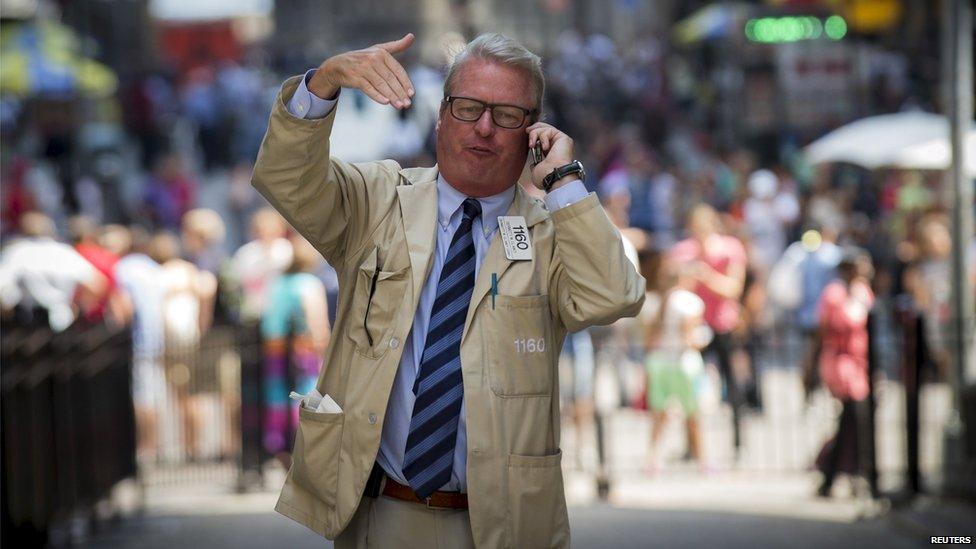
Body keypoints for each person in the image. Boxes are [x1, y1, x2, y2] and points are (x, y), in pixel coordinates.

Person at [252, 32, 644, 548]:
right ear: (441, 115)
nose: (484, 127)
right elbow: (286, 178)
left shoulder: (552, 231)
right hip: (382, 513)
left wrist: (564, 179)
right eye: (468, 107)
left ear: (533, 132)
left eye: (507, 114)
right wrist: (323, 83)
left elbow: (615, 295)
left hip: (504, 526)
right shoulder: (378, 201)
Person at [670, 204, 748, 453]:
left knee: (732, 383)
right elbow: (673, 286)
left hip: (723, 324)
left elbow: (734, 288)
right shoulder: (683, 251)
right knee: (689, 384)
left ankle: (738, 440)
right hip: (695, 326)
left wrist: (707, 277)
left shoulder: (731, 249)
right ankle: (691, 444)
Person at [261, 235, 330, 467]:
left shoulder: (278, 283)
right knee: (304, 395)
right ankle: (302, 445)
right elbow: (317, 321)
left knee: (277, 397)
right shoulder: (309, 283)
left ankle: (277, 445)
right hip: (303, 348)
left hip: (274, 349)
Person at [642, 256, 711, 474]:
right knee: (693, 415)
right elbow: (691, 338)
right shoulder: (690, 302)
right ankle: (703, 462)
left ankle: (652, 460)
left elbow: (649, 339)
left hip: (660, 362)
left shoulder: (653, 303)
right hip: (683, 362)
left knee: (659, 415)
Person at [815, 249, 874, 497]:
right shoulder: (834, 295)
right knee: (852, 416)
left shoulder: (863, 293)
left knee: (856, 421)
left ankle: (842, 472)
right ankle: (837, 472)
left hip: (861, 362)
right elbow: (823, 330)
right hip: (841, 362)